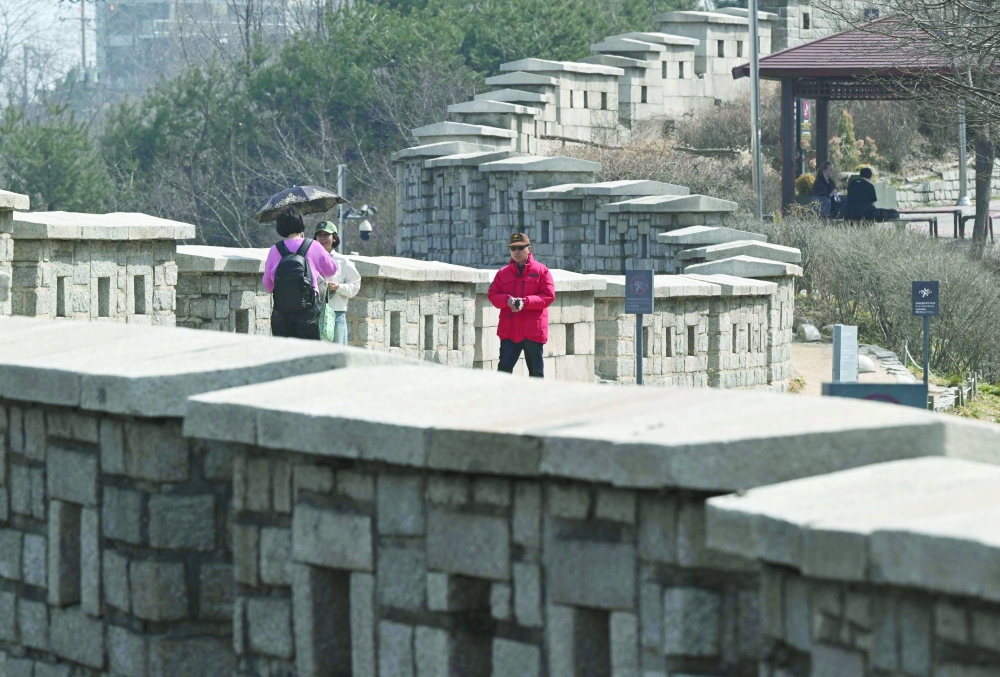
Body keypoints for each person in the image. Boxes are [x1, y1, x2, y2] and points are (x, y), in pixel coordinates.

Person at [262, 206, 338, 340]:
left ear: (280, 228)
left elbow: (268, 285)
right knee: (309, 353)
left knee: (283, 353)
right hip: (307, 309)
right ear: (301, 226)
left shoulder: (275, 250)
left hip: (282, 311)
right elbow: (331, 270)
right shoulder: (314, 246)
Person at [487, 232, 556, 377]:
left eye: (520, 248)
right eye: (513, 248)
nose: (516, 251)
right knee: (503, 370)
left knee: (536, 373)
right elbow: (492, 295)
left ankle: (535, 400)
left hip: (532, 332)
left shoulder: (541, 271)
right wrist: (507, 300)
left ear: (529, 249)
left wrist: (526, 302)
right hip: (509, 331)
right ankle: (501, 399)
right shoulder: (502, 273)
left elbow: (548, 296)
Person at [314, 221, 361, 345]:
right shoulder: (310, 259)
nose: (323, 238)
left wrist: (338, 287)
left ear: (334, 238)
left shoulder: (343, 261)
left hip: (336, 315)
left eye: (326, 235)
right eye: (320, 235)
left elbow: (356, 285)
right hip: (315, 314)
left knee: (338, 356)